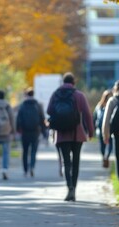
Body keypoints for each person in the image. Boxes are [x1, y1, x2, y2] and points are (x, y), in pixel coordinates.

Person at [47, 72, 94, 201]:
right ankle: (74, 188)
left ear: (63, 82)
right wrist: (90, 132)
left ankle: (70, 188)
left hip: (61, 134)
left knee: (66, 162)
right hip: (77, 133)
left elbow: (49, 110)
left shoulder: (56, 94)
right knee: (76, 162)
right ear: (73, 82)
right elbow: (87, 114)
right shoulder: (78, 95)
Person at [16, 88, 47, 177]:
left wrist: (18, 129)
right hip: (35, 132)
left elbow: (19, 118)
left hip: (25, 132)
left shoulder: (22, 105)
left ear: (26, 95)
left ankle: (25, 170)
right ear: (33, 94)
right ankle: (32, 167)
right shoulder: (38, 105)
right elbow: (42, 118)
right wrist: (44, 132)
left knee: (25, 151)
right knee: (33, 151)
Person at [93, 89, 113, 168]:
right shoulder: (112, 104)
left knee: (102, 145)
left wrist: (94, 128)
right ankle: (107, 156)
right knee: (110, 144)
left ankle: (104, 156)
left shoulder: (99, 105)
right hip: (110, 128)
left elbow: (94, 117)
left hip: (100, 129)